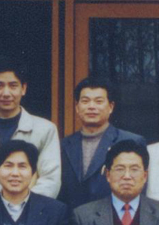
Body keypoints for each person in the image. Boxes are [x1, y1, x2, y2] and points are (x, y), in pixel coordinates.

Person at [0, 56, 61, 199]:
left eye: (13, 86)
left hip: (30, 211)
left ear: (24, 89)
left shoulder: (45, 129)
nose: (6, 93)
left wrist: (21, 207)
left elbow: (50, 180)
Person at [57, 77, 146, 211]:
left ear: (111, 107)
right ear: (77, 107)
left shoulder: (131, 141)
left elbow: (139, 188)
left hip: (113, 218)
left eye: (98, 101)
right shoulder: (64, 145)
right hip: (72, 220)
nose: (91, 106)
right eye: (85, 101)